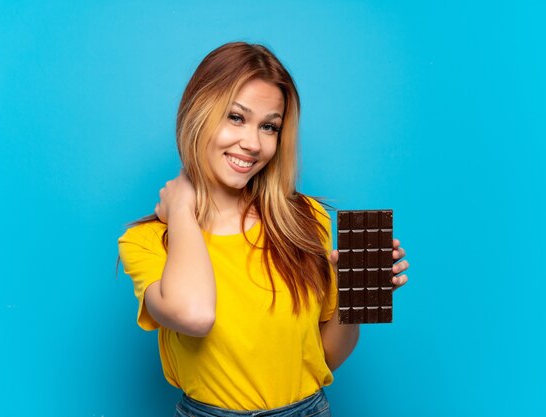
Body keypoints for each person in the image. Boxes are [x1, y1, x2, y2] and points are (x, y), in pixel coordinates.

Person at [117, 41, 409, 417]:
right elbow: (194, 315)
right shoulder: (148, 242)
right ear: (196, 114)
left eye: (269, 126)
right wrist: (182, 209)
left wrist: (356, 295)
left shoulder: (306, 219)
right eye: (236, 117)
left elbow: (326, 358)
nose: (253, 143)